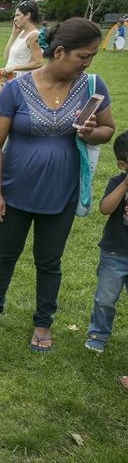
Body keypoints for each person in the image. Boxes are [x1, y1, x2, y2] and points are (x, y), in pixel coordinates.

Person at [0, 18, 115, 352]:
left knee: (49, 261)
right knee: (5, 254)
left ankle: (43, 322)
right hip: (14, 190)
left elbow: (107, 131)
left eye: (91, 56)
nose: (88, 62)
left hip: (61, 192)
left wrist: (89, 131)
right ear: (60, 51)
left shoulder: (93, 86)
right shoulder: (15, 88)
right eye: (84, 55)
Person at [85, 131, 128, 354]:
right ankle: (98, 333)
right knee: (105, 299)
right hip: (115, 254)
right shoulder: (117, 182)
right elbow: (105, 208)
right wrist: (125, 185)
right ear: (122, 164)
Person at [0, 0, 43, 77]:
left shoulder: (34, 35)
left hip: (21, 81)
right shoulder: (22, 32)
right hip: (11, 80)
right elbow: (6, 55)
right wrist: (14, 34)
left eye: (18, 15)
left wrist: (14, 68)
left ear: (28, 15)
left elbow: (38, 62)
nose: (15, 19)